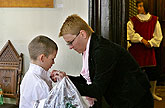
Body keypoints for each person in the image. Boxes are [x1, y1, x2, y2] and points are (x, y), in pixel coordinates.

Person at [53, 14, 154, 108]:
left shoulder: (102, 51)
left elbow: (96, 90)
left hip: (136, 101)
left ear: (82, 34)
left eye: (70, 42)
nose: (70, 47)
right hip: (124, 99)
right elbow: (86, 79)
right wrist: (65, 78)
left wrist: (66, 83)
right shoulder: (91, 47)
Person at [127, 0, 163, 101]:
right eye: (138, 6)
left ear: (146, 7)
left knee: (152, 73)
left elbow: (158, 36)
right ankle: (136, 95)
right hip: (136, 50)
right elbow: (130, 34)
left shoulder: (154, 20)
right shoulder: (132, 20)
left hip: (148, 51)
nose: (138, 8)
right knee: (136, 73)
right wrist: (141, 40)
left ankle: (152, 93)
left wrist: (150, 43)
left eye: (141, 6)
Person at [19, 35, 58, 108]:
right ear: (42, 58)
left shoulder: (29, 76)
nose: (53, 62)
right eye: (52, 59)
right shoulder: (39, 84)